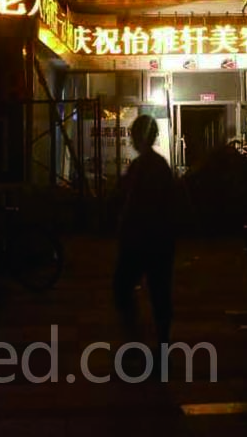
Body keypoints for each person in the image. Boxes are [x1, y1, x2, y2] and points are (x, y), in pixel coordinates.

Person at [113, 114, 177, 358]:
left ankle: (138, 341)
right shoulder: (158, 166)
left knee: (124, 288)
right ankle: (158, 343)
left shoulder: (143, 167)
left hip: (141, 240)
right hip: (159, 240)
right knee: (159, 292)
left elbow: (131, 203)